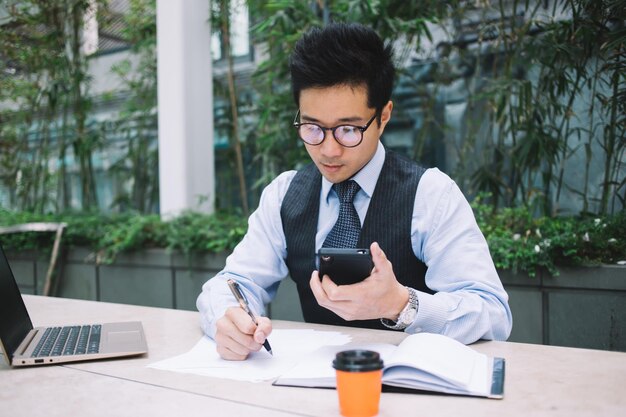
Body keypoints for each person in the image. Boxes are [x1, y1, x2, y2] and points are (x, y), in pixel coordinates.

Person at [197, 22, 512, 360]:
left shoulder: (430, 194)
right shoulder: (284, 195)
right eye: (312, 127)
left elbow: (492, 313)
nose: (329, 150)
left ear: (384, 116)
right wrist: (228, 319)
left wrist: (402, 304)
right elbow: (233, 282)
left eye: (348, 129)